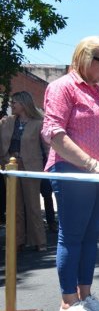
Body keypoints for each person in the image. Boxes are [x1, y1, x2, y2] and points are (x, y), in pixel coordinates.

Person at [42, 36, 99, 311]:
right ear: (85, 57)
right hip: (72, 172)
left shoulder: (97, 91)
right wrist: (90, 163)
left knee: (90, 236)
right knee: (72, 236)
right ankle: (67, 300)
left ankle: (84, 295)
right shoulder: (61, 87)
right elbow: (53, 134)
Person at [0, 91, 47, 251]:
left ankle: (39, 241)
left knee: (33, 205)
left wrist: (49, 167)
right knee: (14, 205)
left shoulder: (39, 123)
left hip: (31, 167)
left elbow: (47, 147)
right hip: (11, 166)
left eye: (15, 103)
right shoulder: (7, 122)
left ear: (24, 104)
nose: (12, 105)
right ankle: (16, 240)